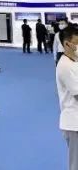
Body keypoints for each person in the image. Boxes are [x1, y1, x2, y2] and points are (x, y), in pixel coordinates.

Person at [54, 26, 78, 169]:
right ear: (67, 44)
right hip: (74, 123)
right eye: (77, 43)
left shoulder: (75, 61)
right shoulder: (65, 66)